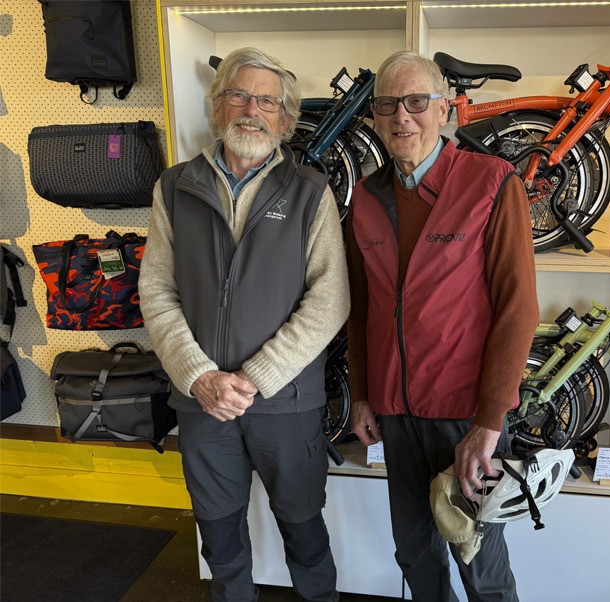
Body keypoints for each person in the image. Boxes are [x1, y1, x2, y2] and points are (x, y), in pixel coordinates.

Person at [139, 47, 348, 602]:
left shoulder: (310, 192)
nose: (251, 109)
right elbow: (157, 291)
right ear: (216, 106)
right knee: (220, 538)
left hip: (287, 404)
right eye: (239, 94)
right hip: (202, 403)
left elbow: (330, 300)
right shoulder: (174, 187)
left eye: (267, 100)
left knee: (304, 533)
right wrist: (200, 376)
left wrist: (254, 377)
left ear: (285, 118)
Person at [345, 51, 539, 602]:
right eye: (387, 105)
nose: (401, 117)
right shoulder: (365, 196)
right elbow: (362, 306)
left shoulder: (491, 184)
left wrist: (490, 419)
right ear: (375, 116)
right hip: (395, 412)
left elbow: (518, 307)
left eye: (415, 102)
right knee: (414, 551)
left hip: (464, 415)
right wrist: (362, 395)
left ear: (445, 109)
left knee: (478, 556)